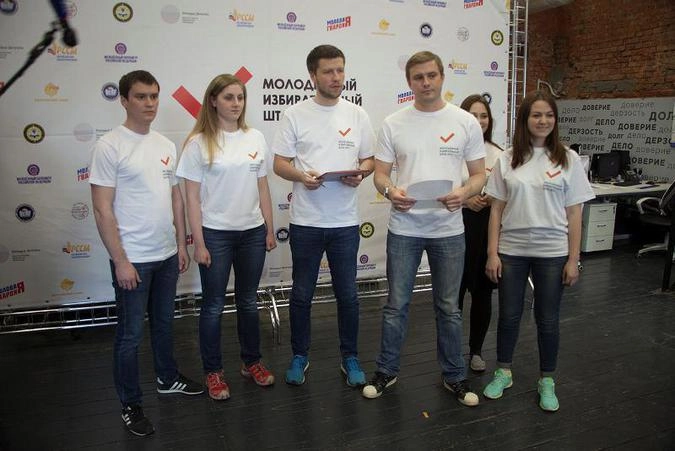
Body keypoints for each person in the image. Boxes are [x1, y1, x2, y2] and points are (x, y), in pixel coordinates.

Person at [362, 51, 486, 406]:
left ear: (442, 77)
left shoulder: (465, 122)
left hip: (449, 230)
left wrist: (464, 192)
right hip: (405, 227)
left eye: (432, 75)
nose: (426, 82)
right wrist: (391, 191)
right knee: (396, 305)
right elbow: (381, 175)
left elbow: (479, 175)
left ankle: (454, 376)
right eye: (418, 77)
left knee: (449, 308)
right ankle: (386, 370)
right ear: (409, 82)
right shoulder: (393, 123)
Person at [90, 70, 203, 437]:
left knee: (165, 324)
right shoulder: (110, 146)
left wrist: (181, 244)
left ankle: (167, 379)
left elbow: (175, 198)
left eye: (154, 96)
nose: (150, 103)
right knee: (130, 336)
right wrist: (121, 261)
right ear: (124, 100)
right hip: (133, 259)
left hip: (167, 255)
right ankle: (130, 404)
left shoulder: (166, 145)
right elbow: (102, 209)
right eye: (141, 96)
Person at [483, 90, 595, 412]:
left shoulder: (568, 159)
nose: (543, 120)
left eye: (549, 115)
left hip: (552, 253)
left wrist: (574, 259)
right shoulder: (507, 159)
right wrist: (492, 253)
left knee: (548, 319)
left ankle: (547, 379)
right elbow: (495, 210)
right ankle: (503, 372)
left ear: (555, 120)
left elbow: (575, 213)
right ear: (525, 119)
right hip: (512, 251)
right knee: (509, 316)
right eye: (536, 115)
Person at [272, 44, 375, 387]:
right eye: (328, 71)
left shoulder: (357, 115)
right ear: (312, 76)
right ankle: (299, 356)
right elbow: (280, 164)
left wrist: (361, 172)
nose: (336, 77)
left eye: (340, 70)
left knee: (348, 295)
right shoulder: (295, 114)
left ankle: (350, 357)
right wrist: (301, 176)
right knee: (302, 294)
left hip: (345, 222)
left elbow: (370, 160)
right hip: (306, 222)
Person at [176, 74, 277, 401]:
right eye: (229, 97)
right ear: (213, 101)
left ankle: (252, 362)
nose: (236, 104)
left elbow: (263, 187)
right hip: (215, 235)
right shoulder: (198, 143)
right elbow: (191, 198)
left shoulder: (255, 137)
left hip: (252, 233)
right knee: (214, 306)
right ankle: (214, 371)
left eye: (240, 97)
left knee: (248, 301)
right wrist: (199, 242)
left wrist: (269, 228)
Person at [457, 94, 504, 372]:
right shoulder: (451, 149)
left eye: (483, 115)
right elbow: (442, 186)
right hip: (456, 227)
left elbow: (507, 191)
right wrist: (466, 199)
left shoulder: (499, 153)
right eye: (473, 115)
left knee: (483, 294)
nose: (479, 120)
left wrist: (491, 199)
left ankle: (476, 351)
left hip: (487, 229)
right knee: (453, 296)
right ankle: (451, 352)